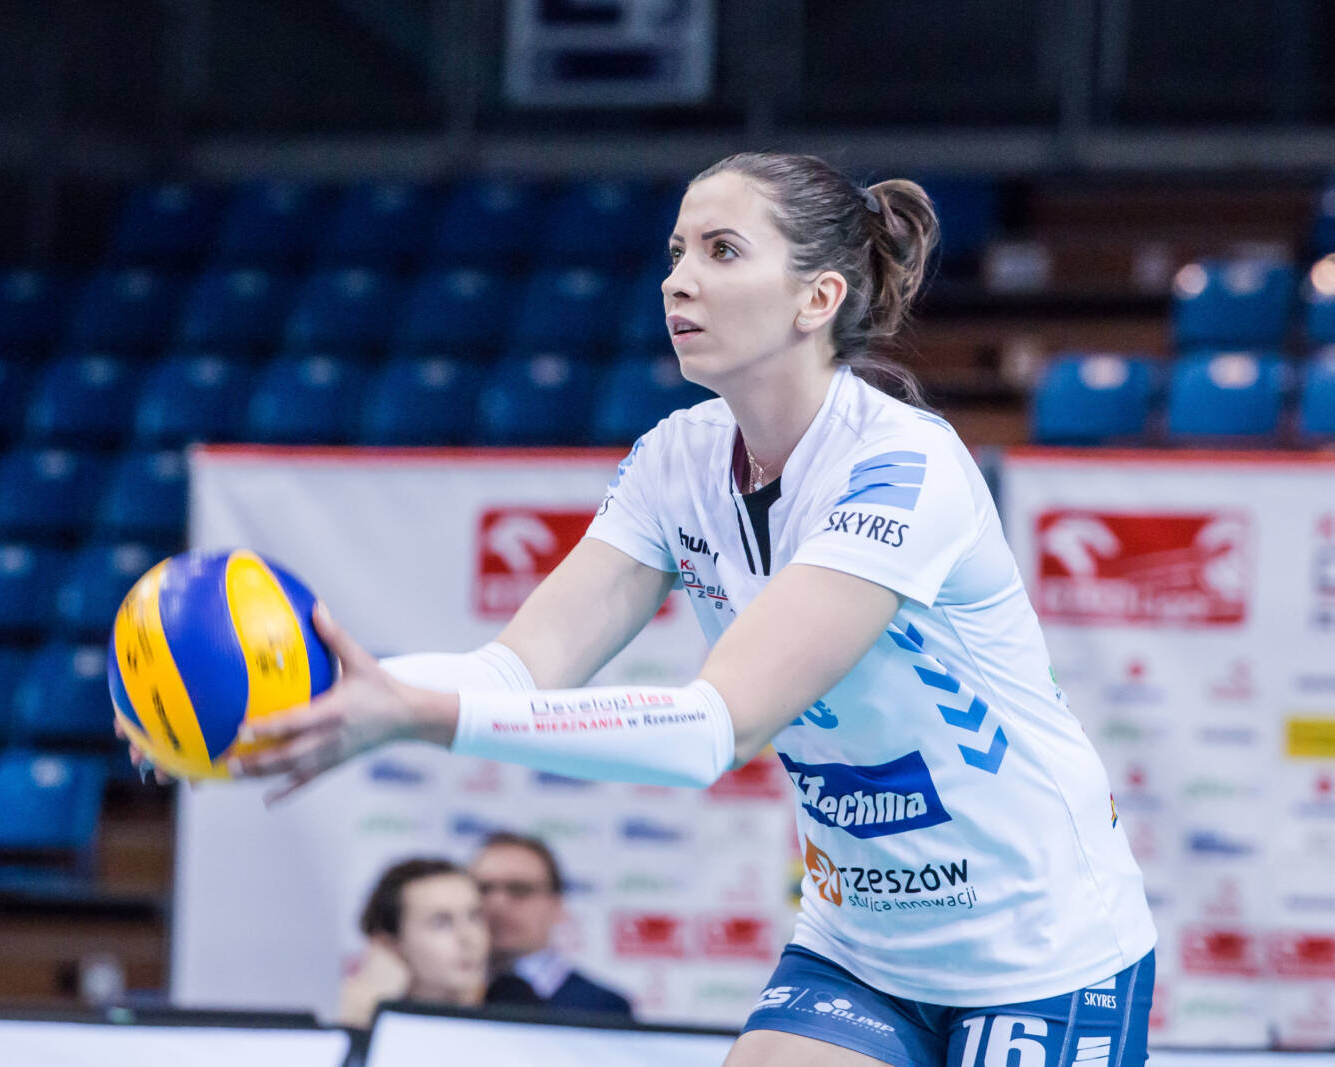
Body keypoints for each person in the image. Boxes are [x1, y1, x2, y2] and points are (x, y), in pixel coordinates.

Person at [141, 151, 1155, 1066]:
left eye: (722, 250)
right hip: (863, 945)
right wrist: (309, 705)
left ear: (818, 297)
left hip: (1041, 945)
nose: (678, 279)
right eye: (676, 251)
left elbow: (716, 725)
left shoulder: (902, 467)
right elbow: (513, 670)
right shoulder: (676, 460)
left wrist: (414, 715)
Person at [335, 857, 538, 1028]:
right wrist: (367, 1019)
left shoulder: (517, 1004)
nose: (468, 938)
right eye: (441, 923)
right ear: (390, 944)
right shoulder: (362, 1019)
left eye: (475, 917)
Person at [470, 831, 630, 1017]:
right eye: (483, 889)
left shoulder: (605, 1007)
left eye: (519, 889)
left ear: (557, 904)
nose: (498, 903)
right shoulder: (447, 995)